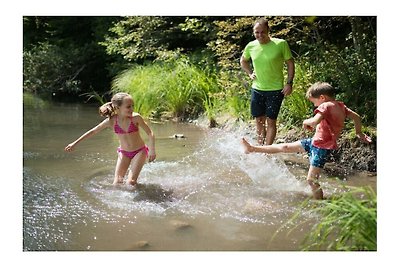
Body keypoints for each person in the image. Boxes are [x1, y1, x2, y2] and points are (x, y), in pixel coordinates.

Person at [241, 82, 372, 200]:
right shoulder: (341, 106)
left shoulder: (325, 105)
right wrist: (359, 133)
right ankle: (252, 149)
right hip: (315, 141)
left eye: (314, 102)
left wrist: (306, 122)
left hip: (322, 148)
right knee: (285, 147)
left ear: (322, 98)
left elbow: (314, 121)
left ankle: (320, 204)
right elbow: (356, 117)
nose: (314, 105)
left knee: (311, 180)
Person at [65, 92, 156, 186]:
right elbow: (93, 131)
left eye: (133, 106)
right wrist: (74, 143)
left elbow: (150, 133)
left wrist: (152, 150)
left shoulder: (136, 118)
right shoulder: (111, 121)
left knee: (131, 182)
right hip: (124, 153)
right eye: (128, 107)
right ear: (117, 108)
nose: (132, 109)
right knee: (117, 183)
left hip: (139, 151)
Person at [240, 17, 295, 145]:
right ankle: (260, 147)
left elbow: (290, 63)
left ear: (268, 30)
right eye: (256, 32)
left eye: (262, 32)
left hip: (276, 89)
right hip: (257, 89)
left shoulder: (280, 44)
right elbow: (243, 60)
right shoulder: (251, 46)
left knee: (271, 121)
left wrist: (289, 83)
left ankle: (267, 151)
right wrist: (249, 73)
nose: (259, 35)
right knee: (259, 120)